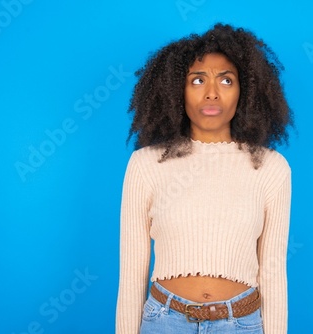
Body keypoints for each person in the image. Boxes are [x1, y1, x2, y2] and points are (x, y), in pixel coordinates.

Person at [116, 23, 293, 333]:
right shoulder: (145, 164)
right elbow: (132, 274)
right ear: (176, 90)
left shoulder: (272, 169)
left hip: (240, 324)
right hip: (164, 322)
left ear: (246, 91)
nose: (212, 93)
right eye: (198, 80)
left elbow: (274, 274)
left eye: (226, 80)